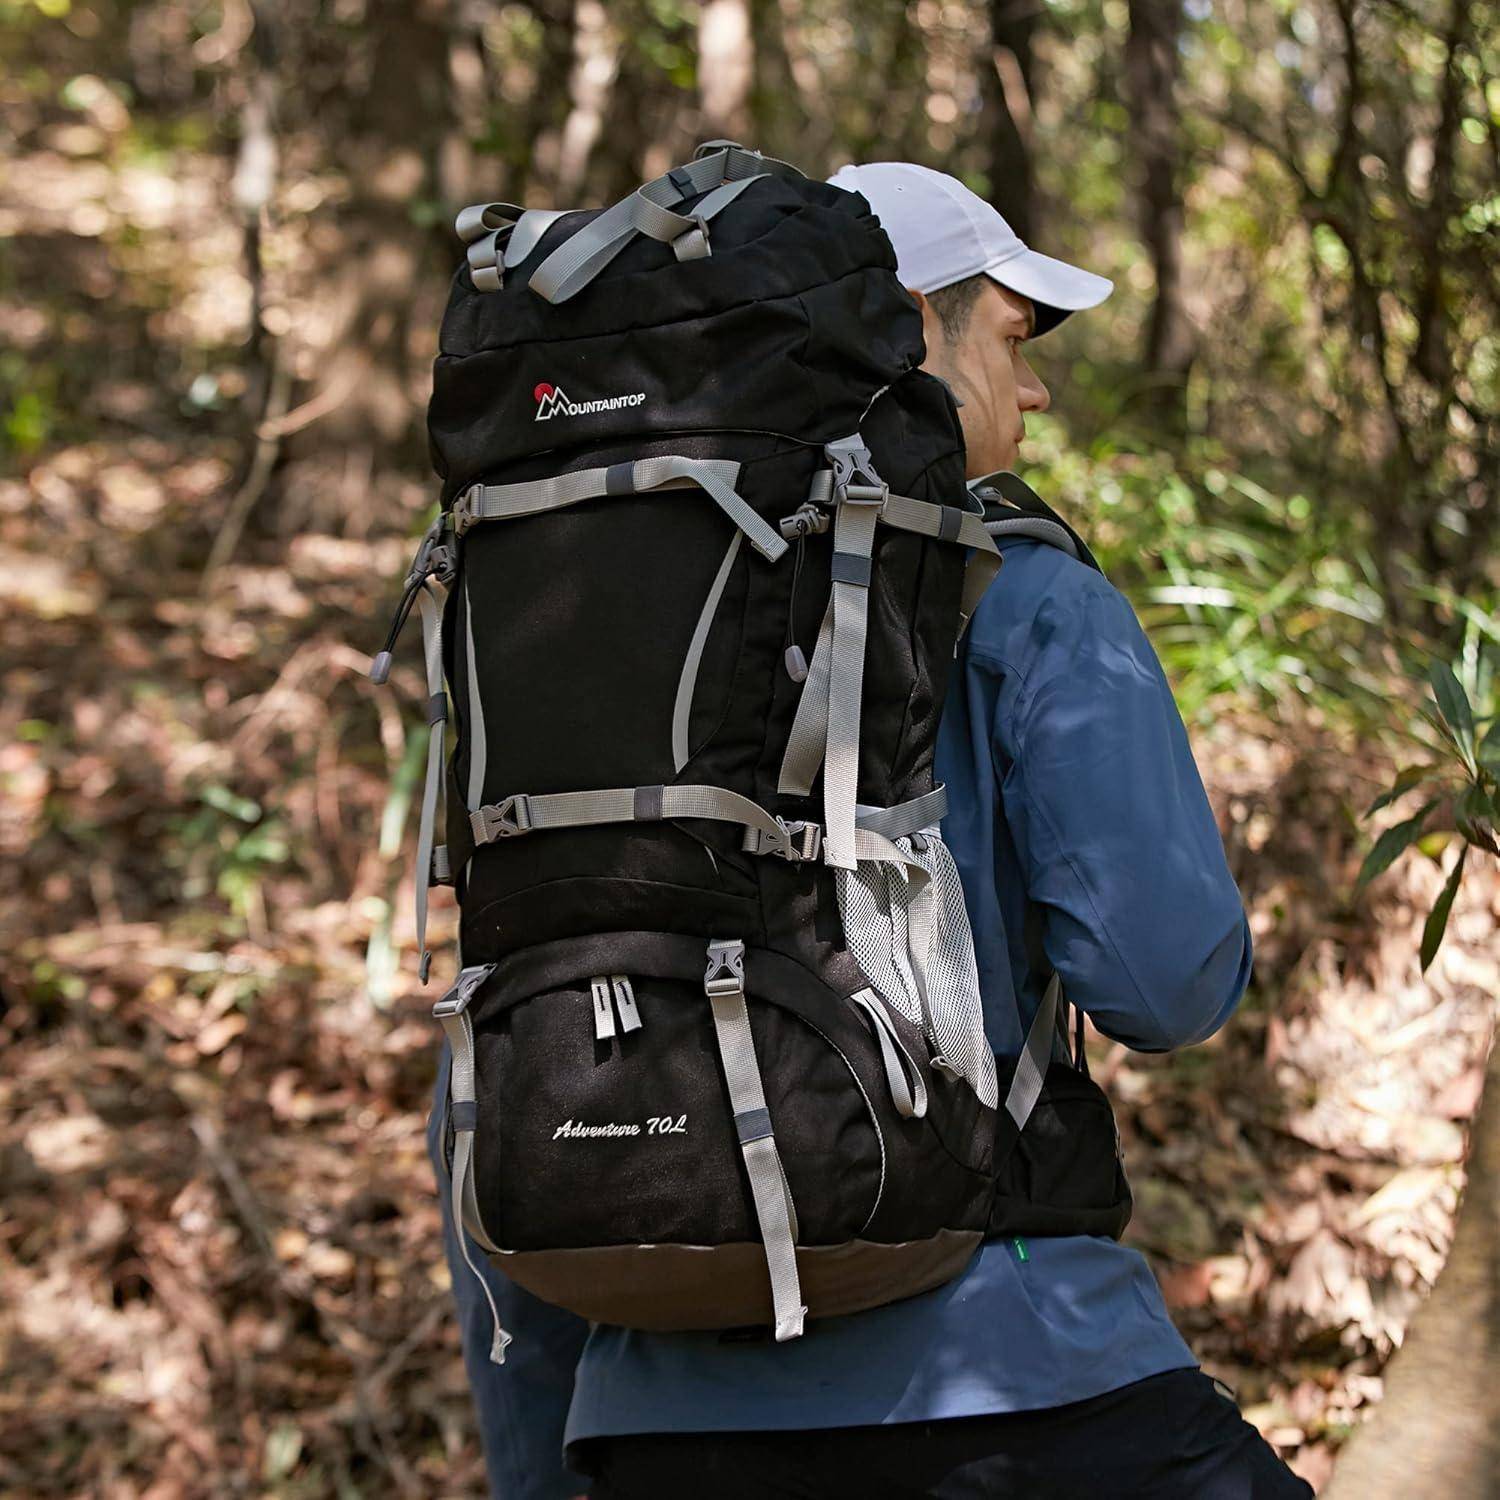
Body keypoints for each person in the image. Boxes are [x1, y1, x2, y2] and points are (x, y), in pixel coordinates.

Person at [428, 161, 1310, 1499]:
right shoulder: (1032, 602)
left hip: (649, 1425)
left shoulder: (561, 617)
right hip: (1015, 1377)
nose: (1038, 389)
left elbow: (496, 1077)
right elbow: (1167, 980)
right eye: (1014, 337)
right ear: (905, 329)